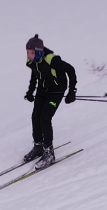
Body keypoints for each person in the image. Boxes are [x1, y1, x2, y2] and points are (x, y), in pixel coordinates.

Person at [22, 35, 77, 165]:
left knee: (45, 119)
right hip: (42, 91)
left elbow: (70, 70)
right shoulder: (34, 61)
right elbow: (35, 77)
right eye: (27, 52)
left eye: (31, 52)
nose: (29, 55)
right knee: (35, 117)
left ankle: (49, 152)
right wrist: (30, 92)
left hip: (56, 92)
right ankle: (38, 146)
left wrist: (71, 91)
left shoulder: (52, 60)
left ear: (39, 52)